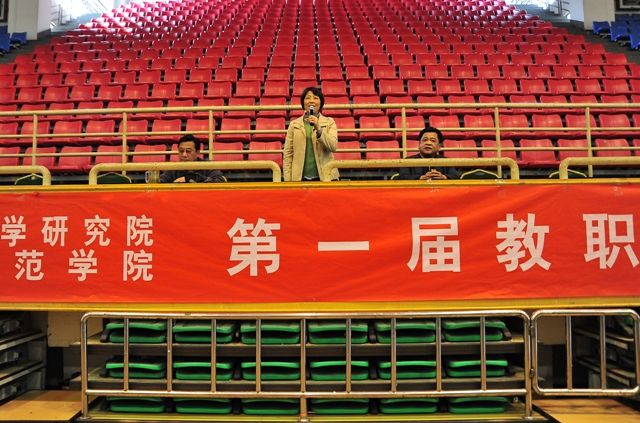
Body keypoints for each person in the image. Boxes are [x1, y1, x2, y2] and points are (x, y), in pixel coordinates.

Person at [283, 87, 339, 181]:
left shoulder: (329, 122)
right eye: (308, 98)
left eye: (315, 98)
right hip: (299, 179)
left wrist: (319, 128)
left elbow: (333, 146)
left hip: (326, 177)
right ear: (303, 102)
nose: (311, 101)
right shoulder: (294, 124)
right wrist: (288, 180)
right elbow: (288, 154)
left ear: (321, 103)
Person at [160, 135, 225, 183]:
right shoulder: (172, 169)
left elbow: (219, 180)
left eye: (188, 151)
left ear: (197, 153)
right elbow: (160, 182)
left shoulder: (209, 166)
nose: (184, 155)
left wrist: (195, 178)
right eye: (181, 151)